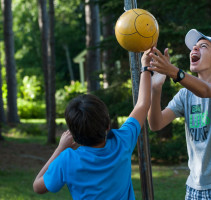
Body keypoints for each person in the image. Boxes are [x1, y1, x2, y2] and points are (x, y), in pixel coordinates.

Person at [33, 50, 154, 200]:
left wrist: (60, 148)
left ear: (74, 135)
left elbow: (38, 186)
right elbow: (143, 104)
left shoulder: (67, 159)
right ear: (108, 125)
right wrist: (145, 66)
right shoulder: (121, 141)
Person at [146, 29, 211, 199]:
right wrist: (156, 88)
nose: (194, 50)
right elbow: (156, 124)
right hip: (195, 187)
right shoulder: (184, 95)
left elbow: (205, 91)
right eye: (193, 47)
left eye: (202, 46)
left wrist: (175, 72)